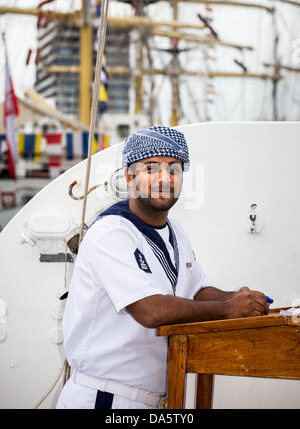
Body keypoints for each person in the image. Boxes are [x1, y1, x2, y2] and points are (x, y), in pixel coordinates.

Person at [56, 126, 269, 410]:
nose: (164, 178)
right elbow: (150, 311)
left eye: (174, 169)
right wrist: (228, 309)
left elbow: (196, 291)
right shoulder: (111, 233)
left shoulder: (175, 230)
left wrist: (239, 298)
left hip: (151, 399)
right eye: (151, 167)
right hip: (105, 398)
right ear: (130, 176)